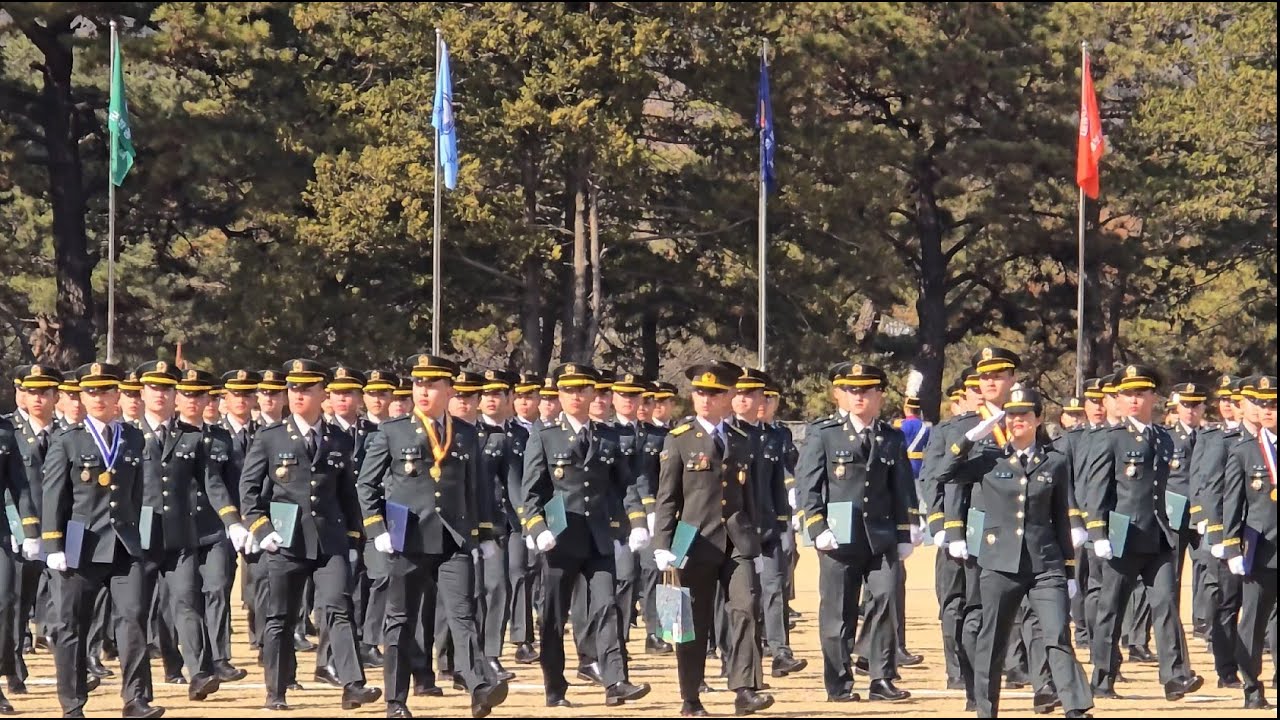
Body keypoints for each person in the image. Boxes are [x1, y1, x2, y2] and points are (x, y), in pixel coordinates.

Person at [357, 354, 507, 719]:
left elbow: (478, 489)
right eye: (418, 384)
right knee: (401, 620)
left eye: (432, 384)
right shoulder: (392, 431)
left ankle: (478, 687)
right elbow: (366, 484)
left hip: (453, 538)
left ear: (449, 389)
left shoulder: (468, 433)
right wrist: (377, 527)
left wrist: (485, 532)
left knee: (463, 614)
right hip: (406, 539)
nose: (423, 391)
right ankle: (396, 699)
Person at [935, 388, 1093, 718]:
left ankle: (1076, 707)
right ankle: (986, 709)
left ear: (1038, 419)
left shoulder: (1055, 462)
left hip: (1044, 565)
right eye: (1011, 415)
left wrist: (1067, 569)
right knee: (992, 642)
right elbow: (944, 473)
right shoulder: (989, 459)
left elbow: (1061, 518)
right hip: (998, 564)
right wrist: (968, 438)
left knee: (1057, 634)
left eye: (1024, 414)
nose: (1017, 420)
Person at [239, 359, 380, 711]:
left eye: (307, 388)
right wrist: (262, 530)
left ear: (323, 393)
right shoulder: (270, 438)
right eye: (294, 389)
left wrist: (353, 536)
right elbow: (250, 491)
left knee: (339, 607)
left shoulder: (337, 438)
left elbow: (348, 493)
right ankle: (276, 689)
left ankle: (353, 684)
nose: (299, 395)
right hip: (285, 542)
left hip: (329, 541)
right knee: (281, 617)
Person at [521, 363, 651, 709]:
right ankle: (555, 685)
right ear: (560, 395)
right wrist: (537, 529)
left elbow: (624, 487)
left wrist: (637, 521)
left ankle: (615, 681)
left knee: (608, 605)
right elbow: (531, 493)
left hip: (598, 538)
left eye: (583, 389)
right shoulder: (545, 437)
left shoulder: (607, 437)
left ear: (594, 393)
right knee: (554, 615)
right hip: (559, 538)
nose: (577, 396)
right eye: (569, 390)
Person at [41, 362, 163, 718]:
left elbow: (138, 494)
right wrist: (53, 545)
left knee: (134, 619)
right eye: (90, 392)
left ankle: (135, 699)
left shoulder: (133, 437)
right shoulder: (68, 440)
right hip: (82, 544)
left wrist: (139, 539)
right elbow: (53, 496)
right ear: (81, 396)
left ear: (117, 396)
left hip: (124, 544)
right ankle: (73, 703)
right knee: (71, 626)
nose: (98, 398)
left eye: (105, 391)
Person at [653, 363, 772, 717]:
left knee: (745, 608)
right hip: (692, 541)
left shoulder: (741, 439)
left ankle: (744, 689)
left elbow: (750, 494)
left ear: (730, 396)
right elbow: (667, 497)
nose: (706, 399)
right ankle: (690, 698)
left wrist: (758, 540)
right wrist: (662, 543)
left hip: (736, 540)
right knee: (691, 622)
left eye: (715, 393)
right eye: (700, 393)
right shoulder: (678, 439)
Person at [796, 362, 916, 704]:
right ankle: (839, 683)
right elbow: (810, 485)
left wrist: (907, 531)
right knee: (839, 613)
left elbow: (902, 486)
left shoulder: (891, 437)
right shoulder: (825, 433)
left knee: (886, 598)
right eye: (852, 390)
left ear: (880, 395)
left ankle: (881, 677)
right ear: (842, 395)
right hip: (838, 536)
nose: (859, 396)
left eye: (866, 390)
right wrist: (816, 526)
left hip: (880, 535)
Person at [1084, 364, 1203, 701]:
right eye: (1128, 394)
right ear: (1119, 400)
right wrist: (1098, 532)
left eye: (1141, 393)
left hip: (1160, 534)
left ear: (1153, 397)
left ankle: (1175, 676)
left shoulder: (1164, 437)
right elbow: (1097, 489)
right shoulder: (1111, 439)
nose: (1134, 400)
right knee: (1112, 606)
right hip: (1123, 534)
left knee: (1165, 603)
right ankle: (1103, 676)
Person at [1220, 374, 1277, 710]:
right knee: (1253, 622)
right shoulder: (1244, 451)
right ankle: (1252, 688)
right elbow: (1233, 503)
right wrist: (1230, 546)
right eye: (1264, 405)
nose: (1268, 411)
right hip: (1260, 549)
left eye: (1274, 405)